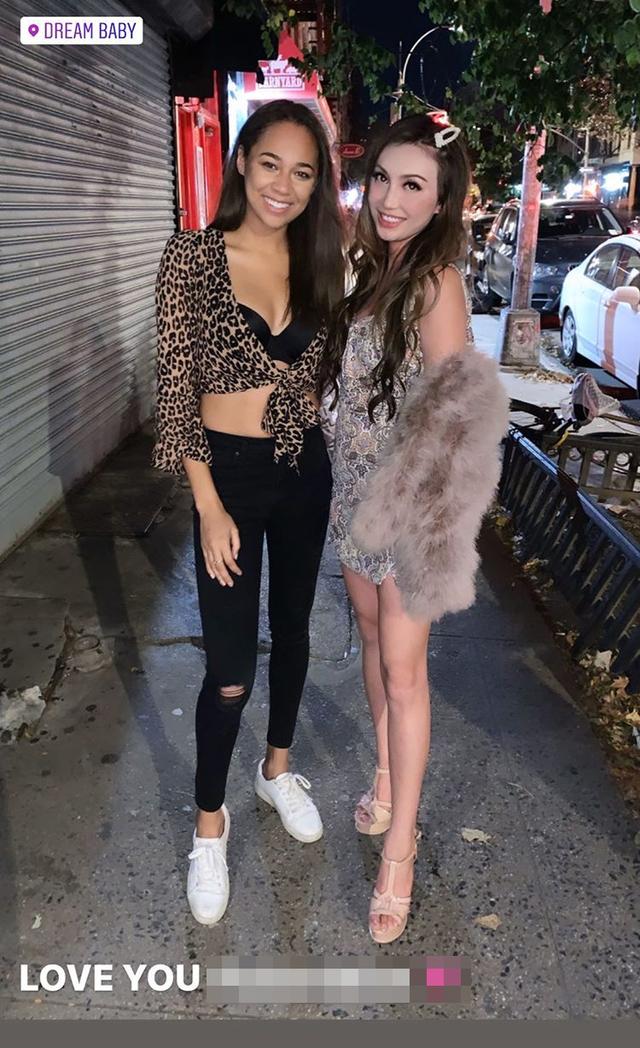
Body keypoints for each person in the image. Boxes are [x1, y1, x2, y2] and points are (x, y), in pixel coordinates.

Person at [152, 100, 344, 926]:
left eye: (303, 172)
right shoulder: (192, 257)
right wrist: (206, 503)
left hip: (303, 470)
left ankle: (275, 770)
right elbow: (174, 389)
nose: (284, 186)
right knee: (230, 671)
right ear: (241, 161)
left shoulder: (320, 261)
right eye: (271, 164)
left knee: (294, 630)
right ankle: (209, 826)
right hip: (225, 477)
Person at [319, 113, 508, 944]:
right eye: (383, 179)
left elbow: (452, 422)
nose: (390, 200)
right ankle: (388, 777)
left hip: (404, 512)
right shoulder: (373, 269)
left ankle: (400, 850)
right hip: (350, 496)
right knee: (369, 640)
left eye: (413, 186)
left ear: (441, 202)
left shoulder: (437, 283)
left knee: (405, 674)